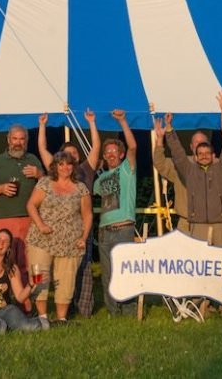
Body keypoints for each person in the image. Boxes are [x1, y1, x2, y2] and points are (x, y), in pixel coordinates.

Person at [37, 110, 101, 318]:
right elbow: (42, 149)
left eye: (74, 154)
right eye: (67, 155)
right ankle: (62, 308)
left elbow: (96, 148)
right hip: (58, 230)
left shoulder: (86, 169)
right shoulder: (56, 173)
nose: (71, 157)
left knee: (83, 269)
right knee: (59, 270)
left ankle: (83, 309)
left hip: (82, 228)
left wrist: (91, 123)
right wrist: (42, 126)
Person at [155, 90, 222, 247]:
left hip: (220, 224)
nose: (204, 155)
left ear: (213, 153)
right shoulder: (188, 169)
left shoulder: (221, 166)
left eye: (207, 151)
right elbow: (177, 154)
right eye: (200, 151)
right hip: (194, 223)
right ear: (193, 150)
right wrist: (169, 130)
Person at [25, 151, 92, 322]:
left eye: (69, 164)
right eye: (61, 164)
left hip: (70, 240)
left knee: (66, 280)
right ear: (55, 166)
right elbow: (31, 205)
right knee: (39, 276)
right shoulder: (45, 183)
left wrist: (83, 237)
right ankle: (42, 317)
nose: (65, 168)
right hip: (42, 239)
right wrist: (40, 224)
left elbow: (87, 215)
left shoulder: (81, 188)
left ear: (73, 166)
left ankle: (61, 319)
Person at [0, 124, 44, 276]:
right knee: (3, 260)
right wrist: (1, 189)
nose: (18, 143)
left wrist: (39, 175)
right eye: (15, 139)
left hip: (29, 220)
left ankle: (26, 298)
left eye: (22, 139)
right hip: (3, 220)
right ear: (8, 140)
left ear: (27, 141)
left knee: (29, 262)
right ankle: (2, 295)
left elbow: (48, 188)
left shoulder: (33, 160)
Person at [94, 109, 138, 316]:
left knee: (126, 271)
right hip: (104, 230)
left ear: (120, 155)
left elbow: (133, 146)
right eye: (107, 153)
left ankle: (129, 311)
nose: (111, 155)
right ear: (104, 156)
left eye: (114, 152)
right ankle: (113, 312)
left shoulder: (127, 170)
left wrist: (122, 121)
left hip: (123, 229)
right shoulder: (100, 179)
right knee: (107, 274)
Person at [0, 229, 48, 333]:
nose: (1, 243)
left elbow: (20, 297)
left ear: (8, 248)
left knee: (27, 327)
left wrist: (30, 284)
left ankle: (46, 323)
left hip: (6, 311)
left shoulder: (12, 268)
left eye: (5, 241)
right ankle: (9, 327)